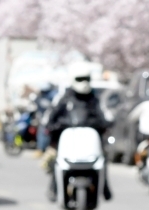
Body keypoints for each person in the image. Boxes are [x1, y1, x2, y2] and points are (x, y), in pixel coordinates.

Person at [45, 65, 112, 200]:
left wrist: (103, 124)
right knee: (56, 160)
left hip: (90, 142)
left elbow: (104, 116)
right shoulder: (64, 98)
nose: (84, 83)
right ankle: (54, 188)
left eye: (86, 79)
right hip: (69, 140)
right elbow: (50, 117)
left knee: (103, 159)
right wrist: (55, 126)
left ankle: (104, 188)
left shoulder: (94, 99)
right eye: (80, 79)